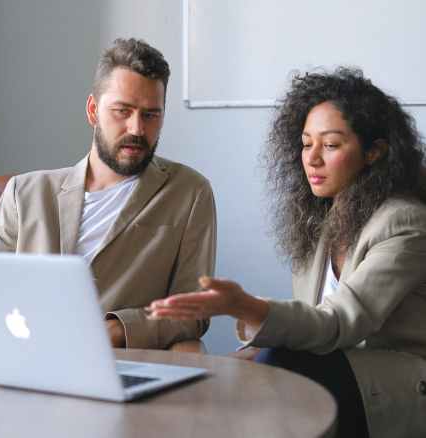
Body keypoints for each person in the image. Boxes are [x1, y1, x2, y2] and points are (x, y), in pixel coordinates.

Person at [148, 68, 426, 438]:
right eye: (305, 143)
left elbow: (339, 323)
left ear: (373, 152)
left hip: (402, 379)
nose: (311, 158)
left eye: (330, 145)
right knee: (237, 374)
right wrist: (224, 366)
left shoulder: (403, 223)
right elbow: (310, 327)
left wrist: (246, 306)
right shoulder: (323, 222)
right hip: (339, 367)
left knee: (281, 364)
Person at [0, 38, 216, 350]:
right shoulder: (24, 194)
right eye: (123, 111)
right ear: (93, 110)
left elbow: (194, 310)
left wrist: (114, 330)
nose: (137, 128)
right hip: (27, 354)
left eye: (151, 115)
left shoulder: (188, 192)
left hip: (123, 361)